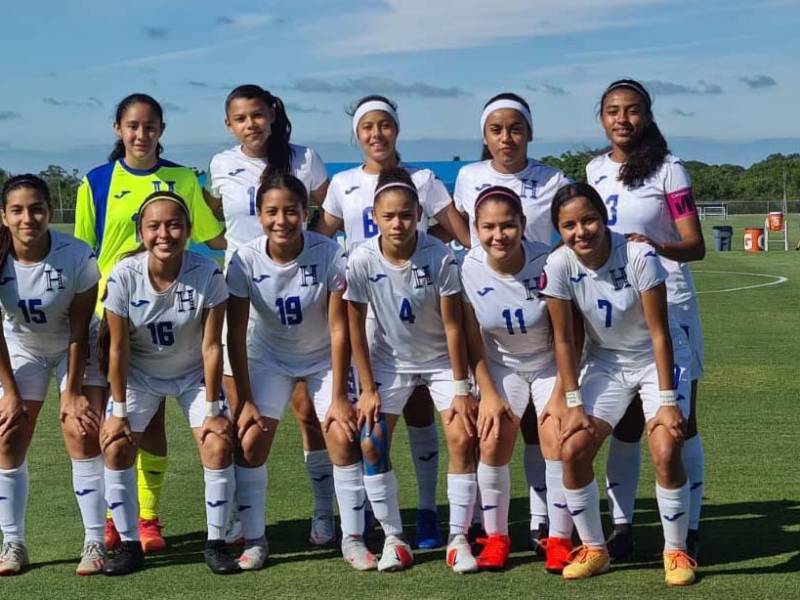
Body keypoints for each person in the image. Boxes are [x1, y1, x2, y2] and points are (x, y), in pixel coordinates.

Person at [75, 93, 226, 553]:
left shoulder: (181, 178)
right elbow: (82, 254)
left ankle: (147, 519)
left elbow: (214, 236)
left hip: (171, 312)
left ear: (162, 129)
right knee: (114, 424)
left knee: (154, 422)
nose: (141, 135)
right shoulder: (96, 182)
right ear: (118, 129)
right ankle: (110, 522)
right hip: (111, 316)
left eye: (150, 126)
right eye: (132, 126)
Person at [317, 95, 470, 549]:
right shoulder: (342, 184)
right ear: (356, 134)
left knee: (425, 414)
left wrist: (431, 254)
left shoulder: (423, 180)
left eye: (384, 125)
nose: (376, 134)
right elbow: (318, 238)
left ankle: (428, 512)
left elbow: (457, 232)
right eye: (367, 127)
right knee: (373, 426)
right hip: (369, 315)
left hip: (421, 309)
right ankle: (374, 519)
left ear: (396, 130)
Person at [542, 183, 696, 586]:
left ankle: (676, 551)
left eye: (589, 220)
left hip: (656, 358)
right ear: (558, 229)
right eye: (569, 225)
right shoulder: (558, 265)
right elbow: (563, 339)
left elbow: (660, 332)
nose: (581, 232)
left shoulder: (638, 254)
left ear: (604, 217)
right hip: (606, 361)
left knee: (665, 446)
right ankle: (595, 549)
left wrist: (666, 401)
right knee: (572, 446)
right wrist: (572, 402)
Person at [207, 84, 336, 546]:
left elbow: (331, 208)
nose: (251, 125)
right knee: (246, 420)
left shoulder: (304, 158)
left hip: (304, 294)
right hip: (247, 294)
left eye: (258, 115)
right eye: (241, 118)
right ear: (229, 125)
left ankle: (326, 515)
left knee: (310, 415)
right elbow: (211, 224)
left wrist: (309, 249)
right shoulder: (222, 165)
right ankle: (243, 523)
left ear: (272, 114)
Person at [225, 173, 373, 571]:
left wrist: (340, 395)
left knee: (342, 435)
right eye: (271, 211)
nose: (282, 220)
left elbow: (340, 327)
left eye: (291, 211)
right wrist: (247, 400)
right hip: (269, 357)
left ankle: (352, 536)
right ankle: (255, 540)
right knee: (251, 440)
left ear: (305, 213)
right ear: (259, 215)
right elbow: (236, 333)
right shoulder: (244, 259)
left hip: (323, 357)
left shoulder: (328, 253)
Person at [587, 79, 706, 560]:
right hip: (614, 308)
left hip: (668, 302)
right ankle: (621, 527)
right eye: (613, 110)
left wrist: (653, 246)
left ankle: (689, 530)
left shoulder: (669, 170)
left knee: (681, 422)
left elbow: (695, 244)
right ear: (601, 117)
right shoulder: (594, 170)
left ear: (647, 115)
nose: (622, 119)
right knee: (625, 423)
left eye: (632, 110)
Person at [345, 167, 478, 573]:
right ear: (375, 216)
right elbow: (353, 325)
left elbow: (454, 326)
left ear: (420, 213)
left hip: (440, 363)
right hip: (389, 363)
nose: (398, 223)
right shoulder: (363, 258)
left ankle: (458, 538)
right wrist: (367, 388)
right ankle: (393, 539)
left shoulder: (439, 255)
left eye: (406, 215)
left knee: (462, 434)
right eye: (389, 216)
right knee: (370, 442)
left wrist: (460, 387)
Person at [454, 92, 571, 549]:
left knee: (556, 435)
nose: (506, 137)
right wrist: (485, 392)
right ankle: (497, 534)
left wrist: (567, 388)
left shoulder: (553, 187)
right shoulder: (467, 263)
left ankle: (556, 532)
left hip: (543, 340)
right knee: (493, 433)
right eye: (496, 129)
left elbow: (567, 335)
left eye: (515, 128)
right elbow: (469, 339)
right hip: (500, 347)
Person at [100, 192, 235, 575]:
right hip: (141, 374)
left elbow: (212, 346)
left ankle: (216, 542)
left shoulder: (207, 273)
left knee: (218, 443)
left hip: (192, 373)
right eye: (154, 226)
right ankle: (128, 545)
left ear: (189, 230)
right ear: (141, 232)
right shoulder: (124, 276)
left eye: (174, 224)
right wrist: (119, 412)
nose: (165, 234)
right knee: (115, 445)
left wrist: (212, 410)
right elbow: (119, 348)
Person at [0, 175, 107, 576]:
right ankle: (13, 542)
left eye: (36, 208)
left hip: (74, 345)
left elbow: (79, 329)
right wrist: (10, 392)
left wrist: (73, 390)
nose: (28, 218)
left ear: (48, 210)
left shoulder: (77, 255)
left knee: (80, 429)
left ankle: (94, 540)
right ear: (4, 216)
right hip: (22, 346)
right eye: (17, 210)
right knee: (8, 432)